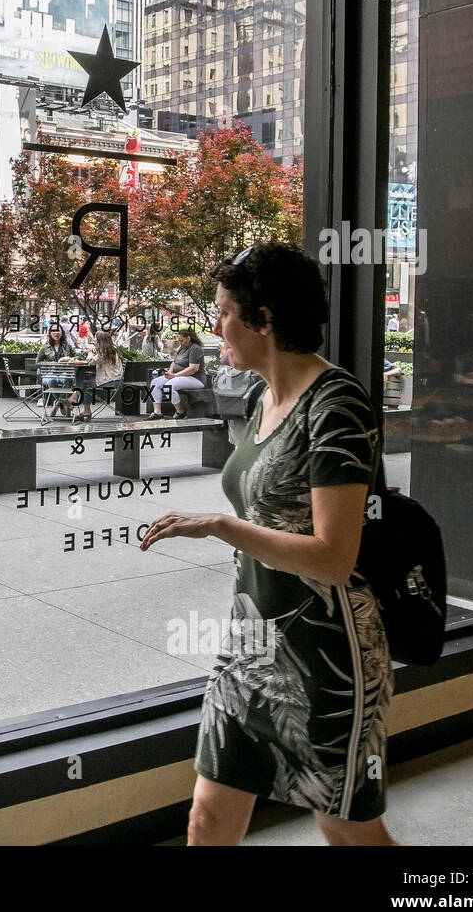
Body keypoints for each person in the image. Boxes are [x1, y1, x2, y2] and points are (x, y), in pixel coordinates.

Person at [139, 240, 395, 847]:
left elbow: (336, 558)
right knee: (206, 820)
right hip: (251, 646)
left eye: (225, 310)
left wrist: (221, 527)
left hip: (327, 656)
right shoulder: (261, 400)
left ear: (266, 318)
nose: (216, 325)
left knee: (350, 834)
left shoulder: (336, 406)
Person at [146, 326, 206, 420]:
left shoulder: (195, 348)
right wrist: (170, 372)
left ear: (188, 338)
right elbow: (174, 362)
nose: (180, 343)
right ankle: (157, 412)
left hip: (195, 378)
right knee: (155, 383)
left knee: (168, 387)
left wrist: (175, 375)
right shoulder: (181, 348)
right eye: (178, 341)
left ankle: (180, 412)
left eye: (181, 340)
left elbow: (193, 369)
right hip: (177, 375)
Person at [65, 329, 123, 421]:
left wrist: (89, 352)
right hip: (112, 380)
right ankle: (80, 402)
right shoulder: (109, 350)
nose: (93, 340)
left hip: (111, 382)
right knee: (83, 376)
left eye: (95, 338)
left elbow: (91, 361)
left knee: (85, 382)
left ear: (100, 340)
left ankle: (76, 398)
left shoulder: (105, 352)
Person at [36, 321, 82, 416]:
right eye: (54, 331)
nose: (56, 333)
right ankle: (62, 403)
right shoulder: (45, 347)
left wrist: (70, 359)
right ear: (50, 333)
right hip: (50, 374)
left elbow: (77, 357)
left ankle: (58, 403)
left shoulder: (67, 346)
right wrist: (50, 364)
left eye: (58, 330)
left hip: (64, 373)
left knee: (67, 379)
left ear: (62, 332)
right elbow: (37, 362)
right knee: (51, 381)